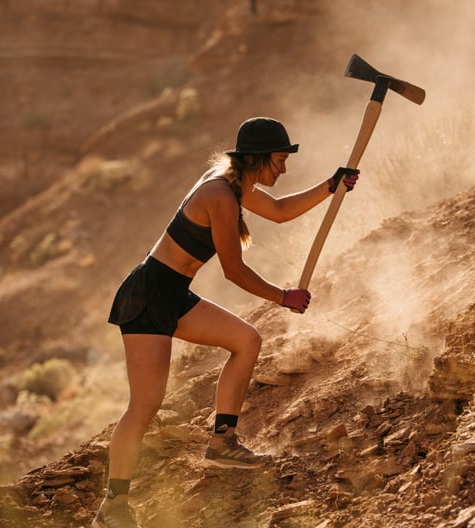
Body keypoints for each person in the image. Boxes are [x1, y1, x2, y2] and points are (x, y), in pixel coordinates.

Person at [91, 117, 359, 528]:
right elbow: (234, 270)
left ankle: (222, 442)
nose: (284, 168)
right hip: (148, 296)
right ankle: (113, 510)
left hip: (174, 293)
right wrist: (282, 297)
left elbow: (281, 211)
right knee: (144, 406)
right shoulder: (219, 194)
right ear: (258, 159)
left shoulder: (234, 186)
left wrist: (331, 185)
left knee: (246, 340)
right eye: (280, 159)